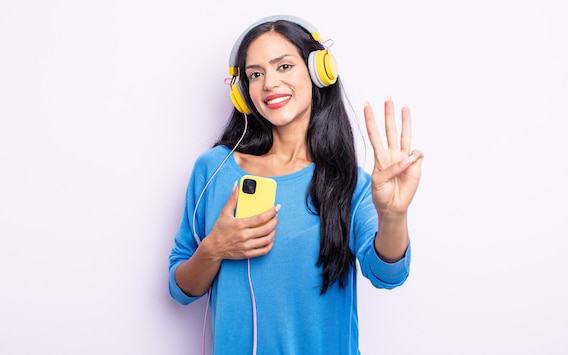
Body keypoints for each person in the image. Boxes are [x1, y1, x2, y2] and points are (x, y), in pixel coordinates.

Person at [168, 14, 423, 354]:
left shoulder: (350, 183)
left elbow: (387, 276)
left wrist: (393, 216)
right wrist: (214, 249)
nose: (269, 83)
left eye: (284, 67)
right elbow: (181, 288)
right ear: (244, 92)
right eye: (255, 74)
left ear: (319, 71)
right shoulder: (214, 169)